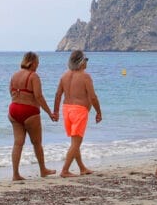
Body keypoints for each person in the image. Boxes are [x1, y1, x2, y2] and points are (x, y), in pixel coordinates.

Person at [8, 51, 58, 182]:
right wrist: (50, 113)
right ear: (32, 62)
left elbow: (11, 92)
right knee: (37, 142)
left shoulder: (14, 75)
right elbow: (39, 96)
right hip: (29, 111)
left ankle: (15, 174)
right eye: (37, 62)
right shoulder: (33, 76)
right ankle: (43, 170)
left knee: (18, 143)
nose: (38, 65)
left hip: (13, 109)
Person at [53, 49, 101, 177]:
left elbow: (58, 95)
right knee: (76, 143)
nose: (87, 62)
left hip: (66, 109)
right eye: (86, 60)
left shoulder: (64, 76)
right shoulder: (85, 76)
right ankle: (65, 170)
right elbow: (93, 97)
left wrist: (56, 111)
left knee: (74, 141)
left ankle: (82, 168)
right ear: (81, 62)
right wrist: (98, 112)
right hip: (79, 111)